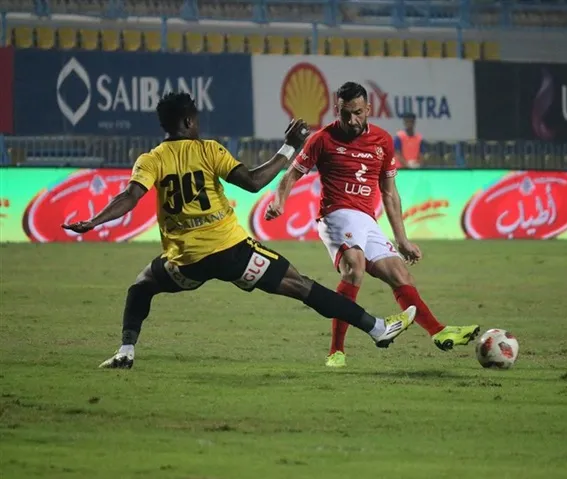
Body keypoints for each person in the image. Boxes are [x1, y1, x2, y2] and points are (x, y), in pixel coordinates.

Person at [61, 92, 416, 369]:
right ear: (188, 121)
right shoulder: (208, 150)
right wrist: (289, 147)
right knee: (302, 286)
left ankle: (126, 350)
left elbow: (129, 197)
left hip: (187, 262)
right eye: (196, 120)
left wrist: (94, 221)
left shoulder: (151, 159)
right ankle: (377, 328)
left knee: (141, 286)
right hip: (233, 252)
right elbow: (253, 181)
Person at [265, 82, 479, 368]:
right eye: (345, 114)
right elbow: (291, 175)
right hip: (336, 214)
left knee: (400, 275)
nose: (351, 120)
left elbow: (389, 193)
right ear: (336, 110)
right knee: (354, 268)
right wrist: (279, 201)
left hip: (367, 219)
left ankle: (439, 332)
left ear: (367, 109)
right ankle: (336, 351)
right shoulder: (322, 139)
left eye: (357, 113)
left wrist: (402, 240)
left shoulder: (382, 141)